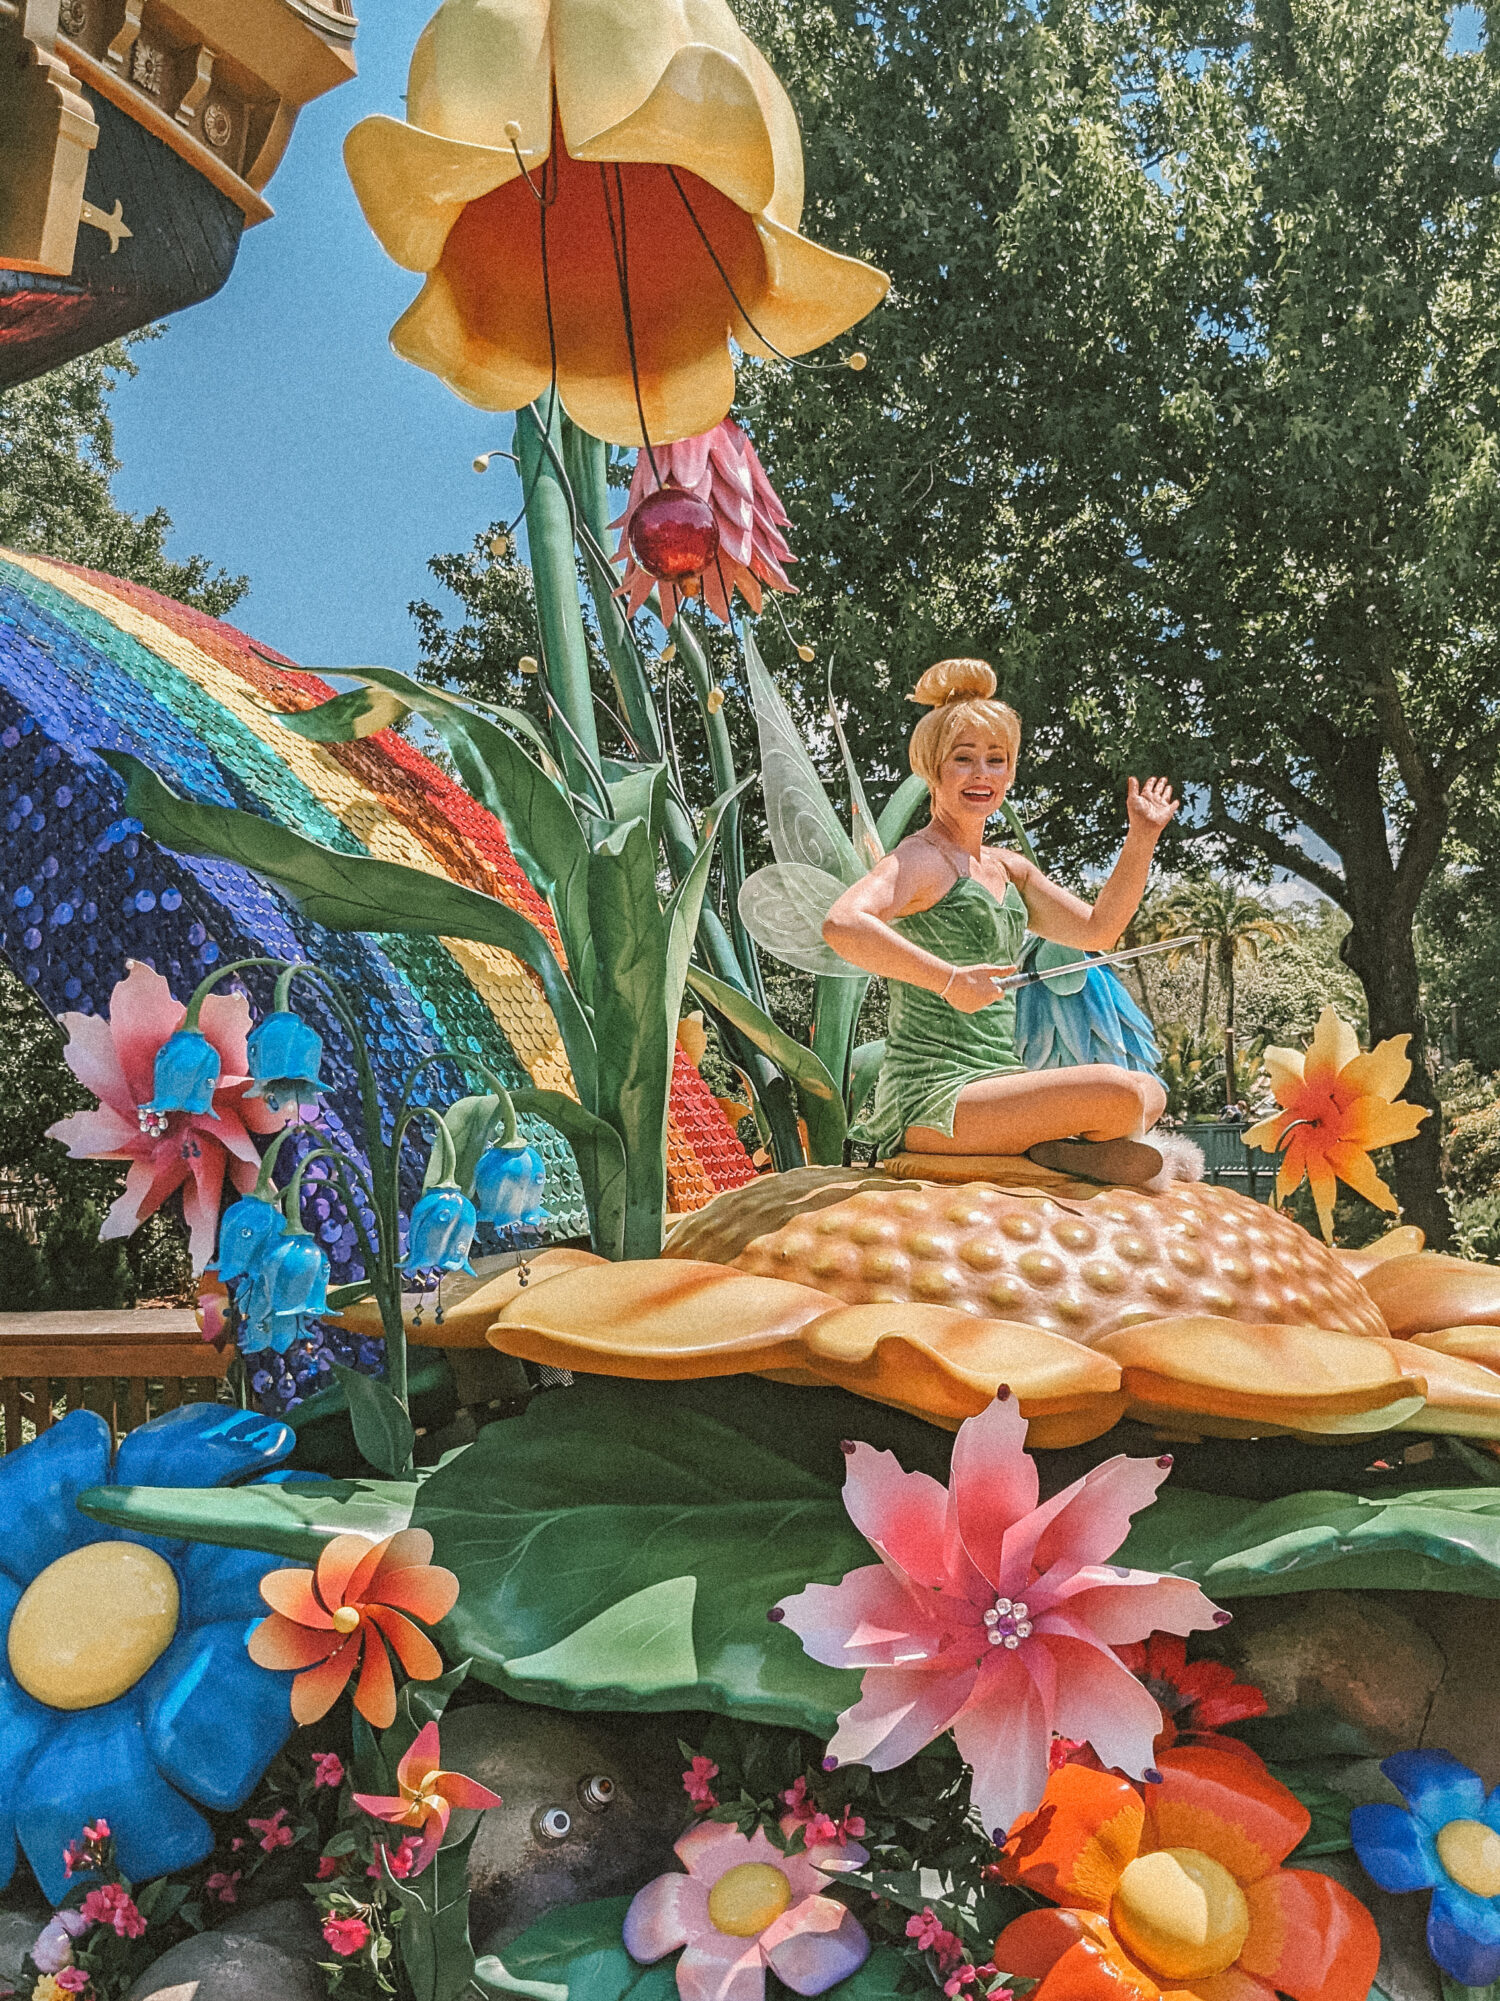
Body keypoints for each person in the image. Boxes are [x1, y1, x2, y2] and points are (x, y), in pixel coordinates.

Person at [823, 659, 1178, 1186]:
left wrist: (1141, 839)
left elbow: (1100, 930)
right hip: (934, 1097)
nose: (981, 774)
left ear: (1010, 772)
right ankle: (1062, 1147)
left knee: (1149, 1091)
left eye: (996, 760)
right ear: (932, 768)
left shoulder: (1009, 869)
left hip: (998, 1081)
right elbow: (843, 923)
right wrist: (947, 980)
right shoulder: (921, 858)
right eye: (963, 759)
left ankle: (1057, 1151)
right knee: (1120, 1095)